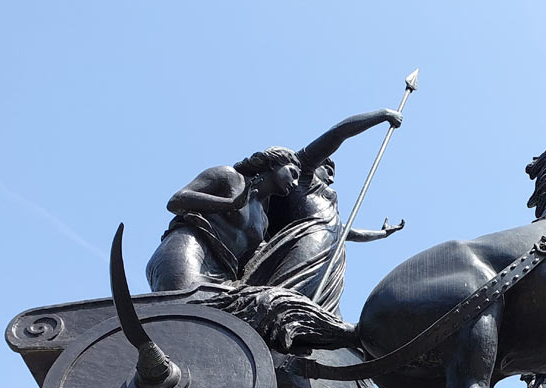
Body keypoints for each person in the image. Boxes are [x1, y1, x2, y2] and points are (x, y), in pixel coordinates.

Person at [240, 109, 405, 315]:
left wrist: (381, 234)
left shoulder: (322, 199)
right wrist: (382, 115)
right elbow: (338, 134)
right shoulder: (300, 172)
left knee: (323, 317)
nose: (332, 178)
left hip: (331, 258)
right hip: (306, 246)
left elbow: (346, 232)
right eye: (328, 169)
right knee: (285, 303)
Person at [145, 148, 301, 292]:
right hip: (192, 250)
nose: (295, 184)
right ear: (274, 164)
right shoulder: (229, 176)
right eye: (293, 174)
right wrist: (229, 204)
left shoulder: (263, 219)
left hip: (224, 273)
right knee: (186, 307)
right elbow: (176, 202)